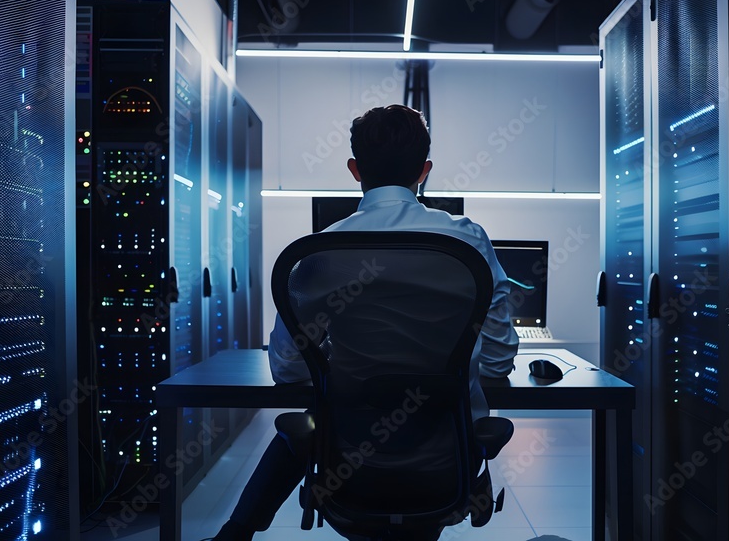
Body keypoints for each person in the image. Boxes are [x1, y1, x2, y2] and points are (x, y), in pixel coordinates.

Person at [214, 104, 519, 540]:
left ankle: (235, 533)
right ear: (425, 170)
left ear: (355, 170)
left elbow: (286, 368)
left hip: (349, 466)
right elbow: (498, 360)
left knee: (308, 420)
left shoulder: (321, 251)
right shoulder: (466, 239)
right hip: (446, 465)